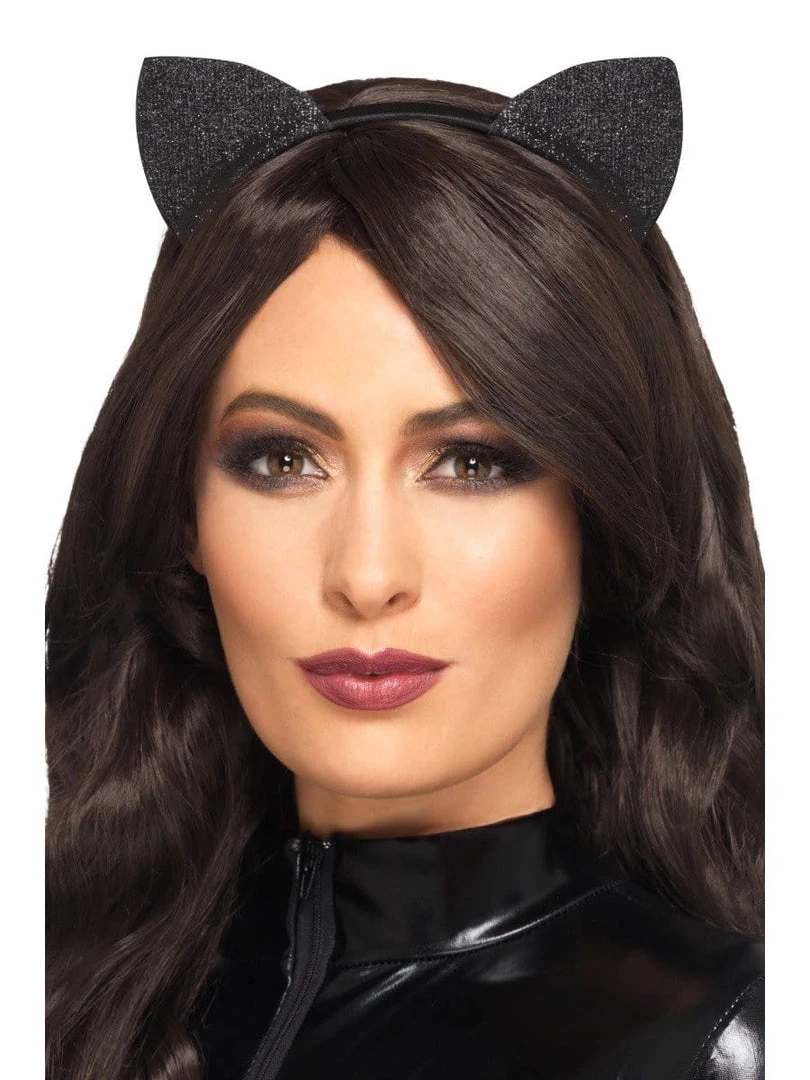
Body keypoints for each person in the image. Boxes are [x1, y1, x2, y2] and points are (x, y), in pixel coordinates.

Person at [45, 56, 765, 1080]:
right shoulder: (68, 997)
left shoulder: (724, 1041)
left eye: (471, 463)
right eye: (282, 461)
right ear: (184, 516)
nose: (368, 573)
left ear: (602, 518)